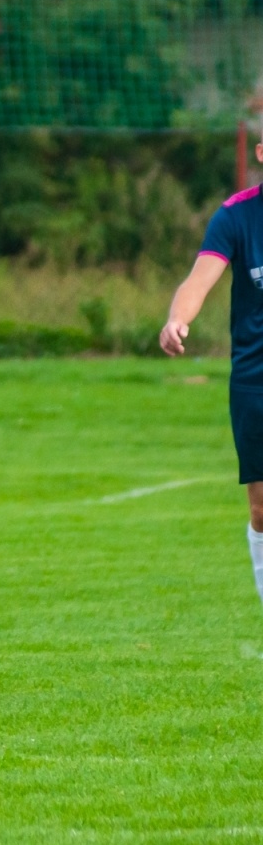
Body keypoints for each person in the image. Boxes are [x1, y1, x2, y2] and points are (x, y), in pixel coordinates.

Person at [161, 134, 263, 606]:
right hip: (255, 380)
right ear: (261, 154)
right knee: (262, 511)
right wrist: (177, 319)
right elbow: (200, 278)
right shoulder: (236, 216)